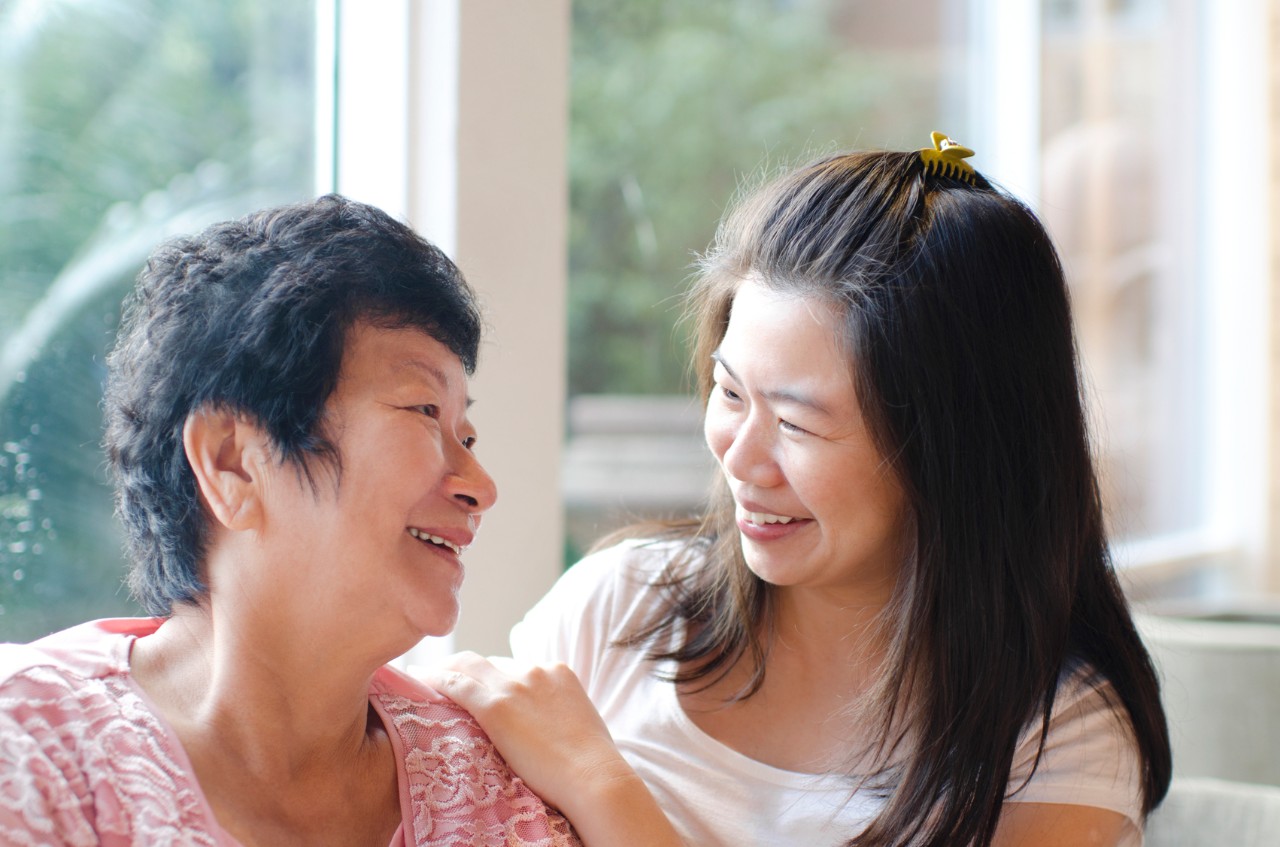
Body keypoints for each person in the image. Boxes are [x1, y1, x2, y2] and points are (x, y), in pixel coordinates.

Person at [425, 136, 1173, 847]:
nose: (741, 457)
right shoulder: (614, 610)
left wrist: (600, 783)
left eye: (796, 423)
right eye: (729, 391)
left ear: (953, 452)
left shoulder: (1057, 733)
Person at [0, 196, 583, 847]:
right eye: (423, 410)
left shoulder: (494, 786)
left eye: (467, 437)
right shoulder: (30, 744)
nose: (480, 487)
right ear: (233, 463)